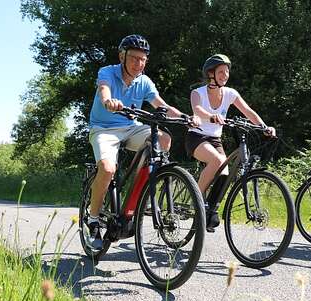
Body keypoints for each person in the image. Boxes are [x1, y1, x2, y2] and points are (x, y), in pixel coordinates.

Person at [87, 34, 200, 249]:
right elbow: (104, 90)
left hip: (131, 127)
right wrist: (108, 101)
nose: (138, 64)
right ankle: (93, 220)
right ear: (122, 56)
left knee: (163, 139)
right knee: (108, 168)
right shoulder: (108, 72)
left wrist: (185, 118)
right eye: (134, 58)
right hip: (104, 128)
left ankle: (139, 191)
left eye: (143, 60)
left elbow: (161, 105)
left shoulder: (144, 81)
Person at [185, 54, 275, 232]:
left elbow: (248, 111)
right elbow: (197, 110)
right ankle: (197, 201)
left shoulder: (230, 93)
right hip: (196, 137)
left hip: (215, 139)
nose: (225, 75)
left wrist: (264, 127)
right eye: (221, 72)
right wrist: (211, 116)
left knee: (225, 173)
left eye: (227, 72)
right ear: (210, 73)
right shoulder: (198, 93)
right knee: (217, 161)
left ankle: (210, 209)